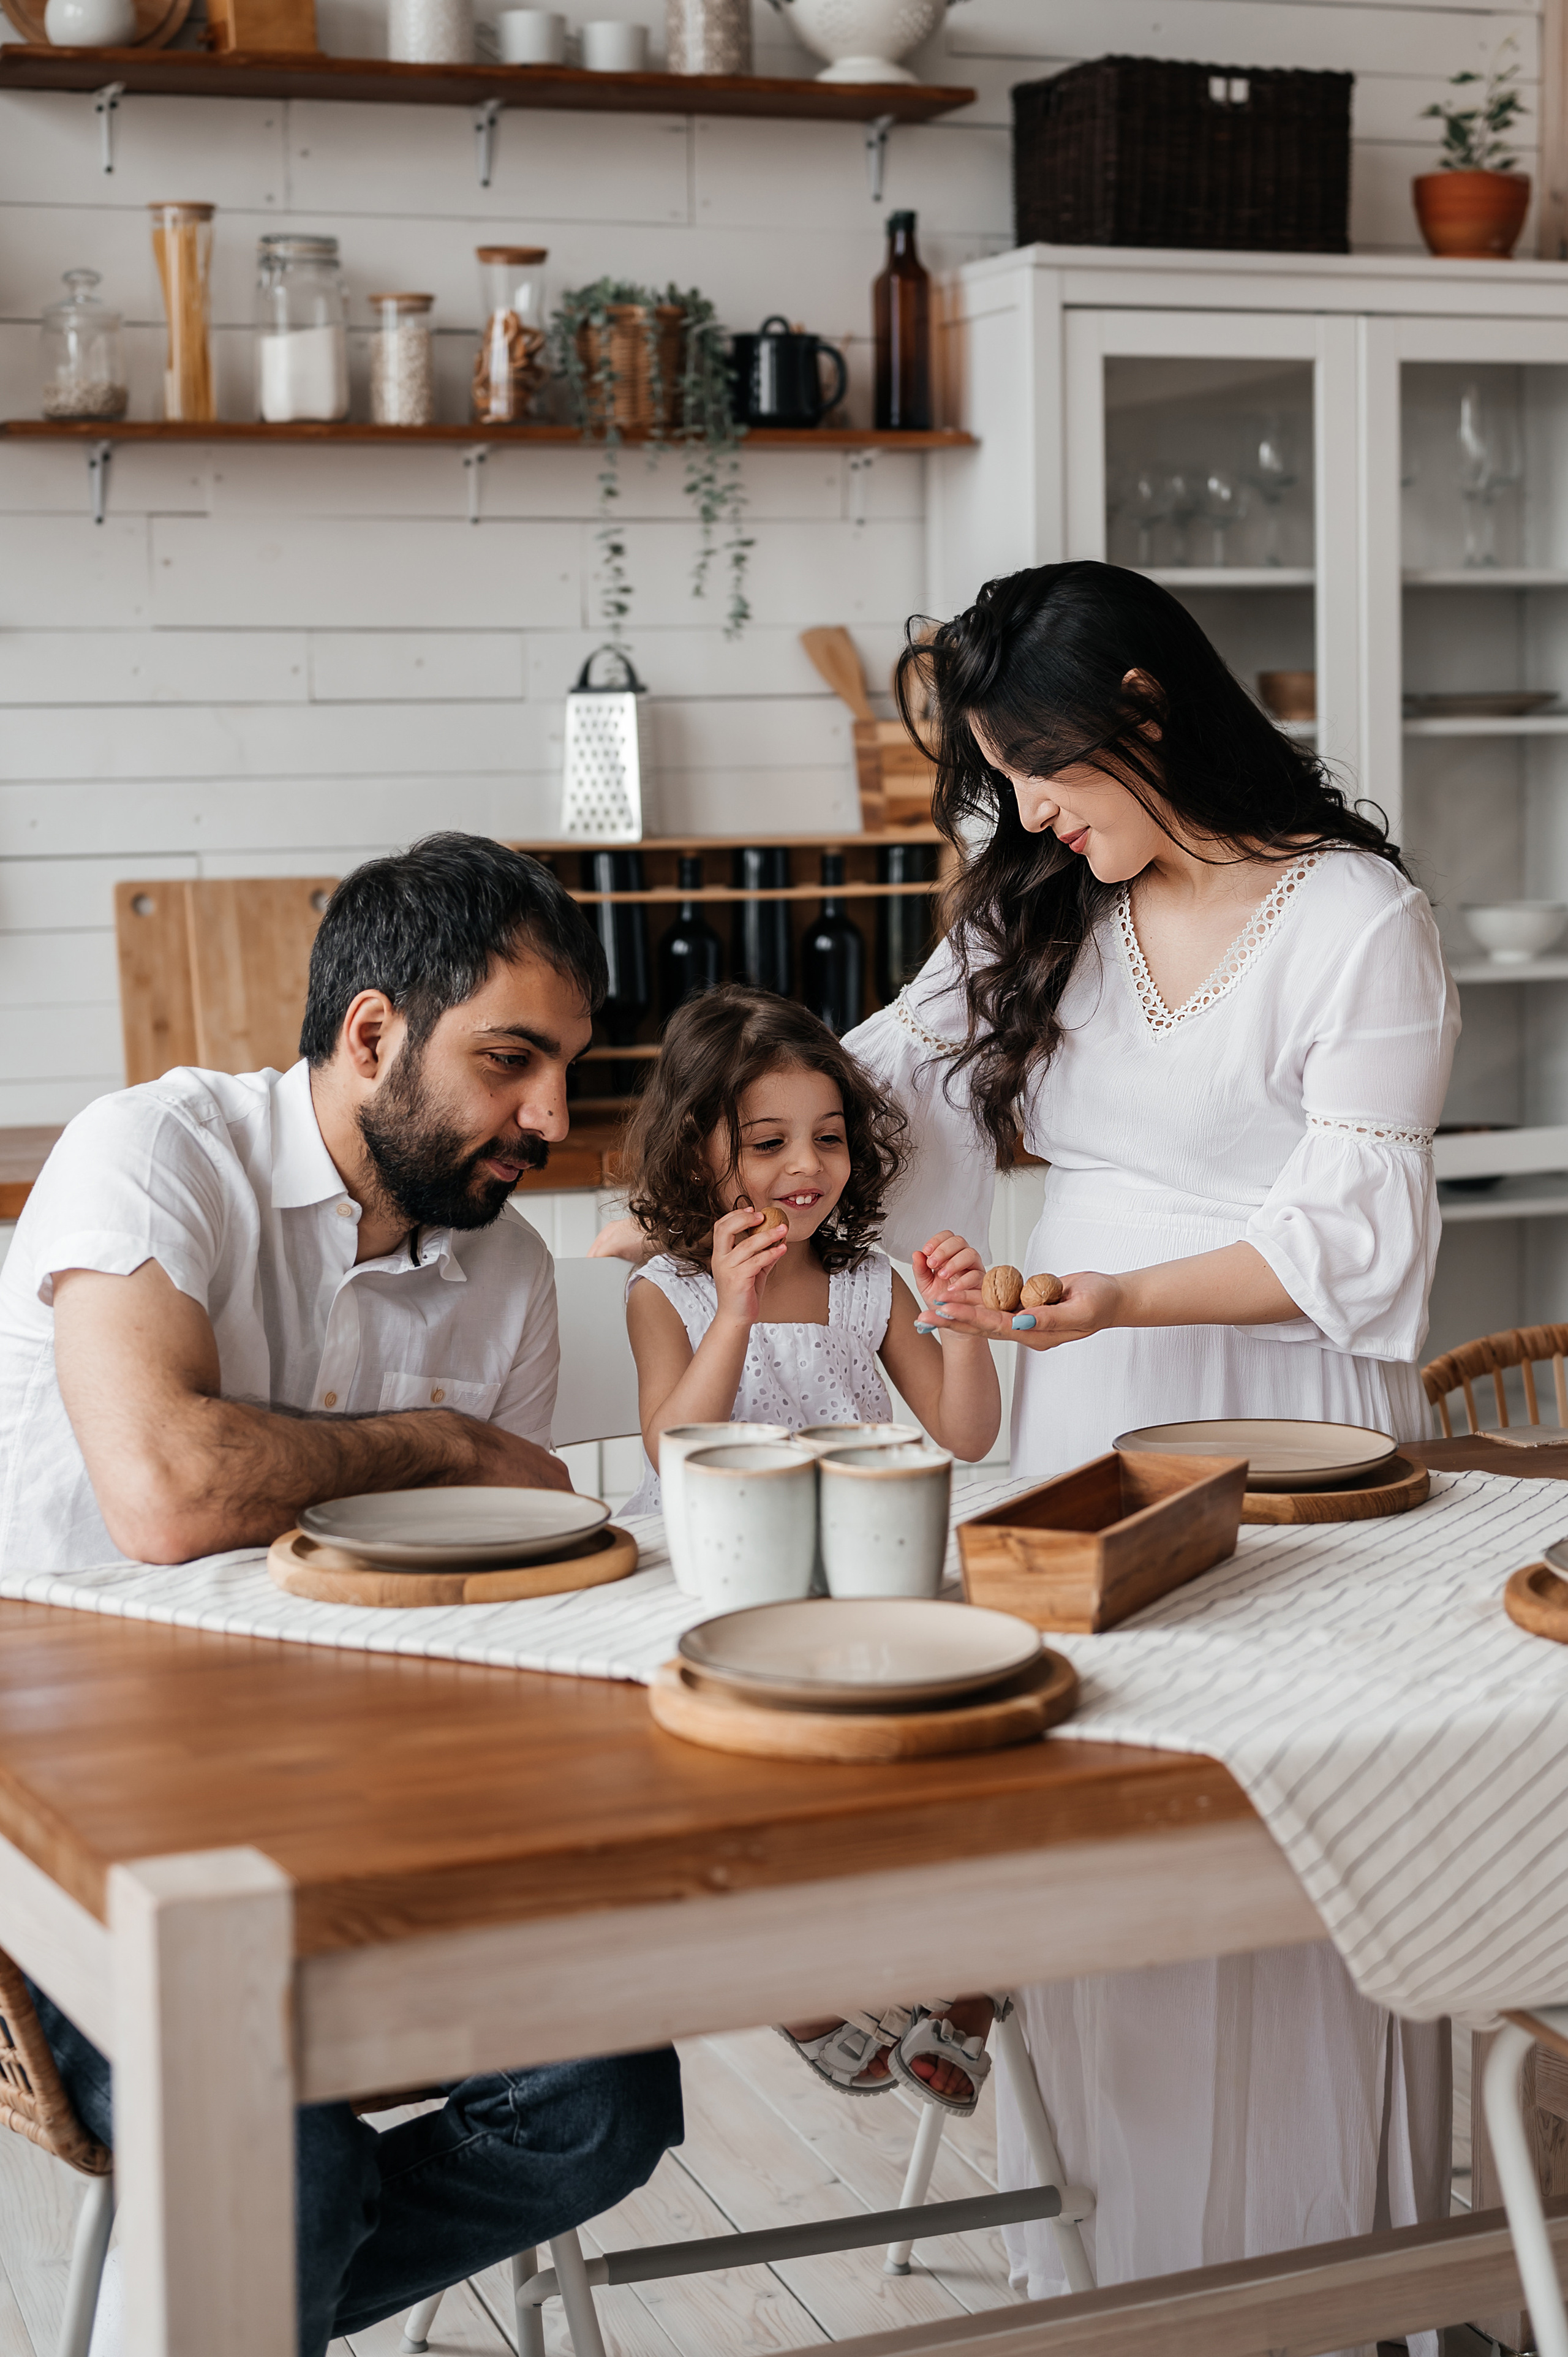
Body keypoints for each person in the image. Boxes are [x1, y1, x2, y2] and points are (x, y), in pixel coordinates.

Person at [842, 562, 1459, 2312]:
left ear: (1146, 714)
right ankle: (1108, 2290)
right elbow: (885, 1072)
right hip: (1074, 1409)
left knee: (1281, 1832)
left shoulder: (1355, 922)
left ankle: (1318, 2287)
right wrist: (723, 1139)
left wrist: (1111, 1294)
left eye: (1047, 773)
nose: (1026, 812)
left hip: (1284, 1423)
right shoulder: (1045, 894)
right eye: (1009, 784)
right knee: (1096, 1822)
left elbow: (1354, 1239)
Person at [0, 830, 684, 2356]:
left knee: (607, 2106)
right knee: (283, 2164)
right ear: (371, 1033)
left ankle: (210, 2317)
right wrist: (436, 1443)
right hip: (65, 1825)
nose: (551, 1118)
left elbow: (500, 1597)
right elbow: (170, 1493)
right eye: (511, 1060)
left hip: (363, 1808)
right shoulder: (156, 1154)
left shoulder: (500, 1270)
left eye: (567, 1067)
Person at [617, 984, 1006, 2112]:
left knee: (984, 1755)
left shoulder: (864, 1284)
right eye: (770, 1141)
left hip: (861, 1590)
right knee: (744, 1802)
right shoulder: (668, 1294)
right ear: (700, 1153)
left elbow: (968, 1433)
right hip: (721, 1600)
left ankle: (970, 1989)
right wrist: (733, 1308)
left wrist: (961, 1329)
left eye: (828, 1138)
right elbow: (678, 1445)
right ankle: (798, 1988)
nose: (808, 1166)